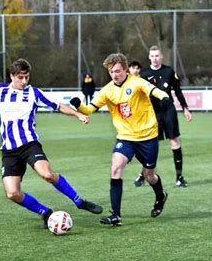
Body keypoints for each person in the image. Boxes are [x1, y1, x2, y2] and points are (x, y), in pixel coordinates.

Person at [0, 58, 103, 229]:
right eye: (20, 77)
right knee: (12, 193)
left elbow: (58, 105)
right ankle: (46, 213)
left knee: (47, 174)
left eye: (27, 77)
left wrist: (78, 115)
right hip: (9, 150)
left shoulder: (33, 93)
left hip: (29, 144)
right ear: (12, 76)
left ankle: (79, 201)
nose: (24, 81)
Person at [70, 53, 171, 226]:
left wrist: (165, 98)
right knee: (116, 168)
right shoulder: (107, 91)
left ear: (125, 69)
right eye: (111, 72)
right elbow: (88, 110)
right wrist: (78, 105)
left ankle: (160, 196)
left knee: (149, 176)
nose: (114, 75)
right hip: (125, 137)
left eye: (117, 71)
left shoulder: (137, 82)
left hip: (147, 137)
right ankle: (116, 215)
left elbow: (154, 91)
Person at [134, 46, 193, 188]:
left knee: (175, 141)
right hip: (152, 112)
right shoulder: (144, 74)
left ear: (161, 57)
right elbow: (138, 95)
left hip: (168, 111)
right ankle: (143, 174)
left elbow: (178, 91)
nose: (154, 58)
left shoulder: (169, 71)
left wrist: (185, 108)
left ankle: (179, 178)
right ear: (149, 57)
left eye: (157, 56)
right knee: (150, 144)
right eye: (152, 56)